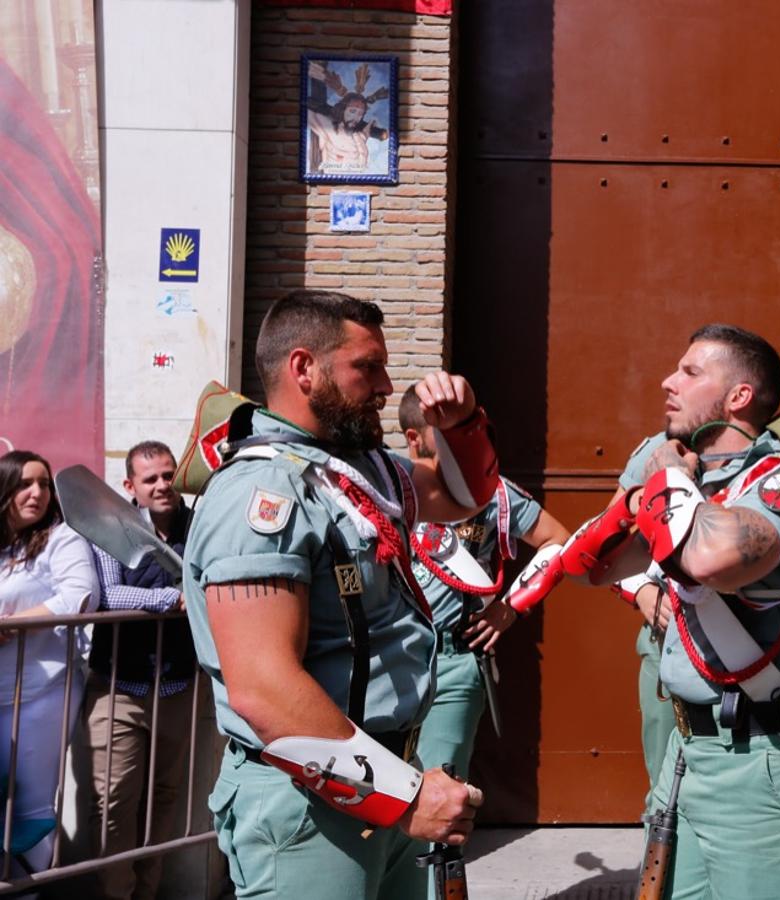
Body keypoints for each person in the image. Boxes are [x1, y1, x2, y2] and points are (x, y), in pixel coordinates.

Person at [506, 324, 780, 898]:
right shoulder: (685, 483)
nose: (668, 382)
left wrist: (665, 478)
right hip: (685, 754)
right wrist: (643, 493)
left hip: (759, 759)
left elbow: (711, 558)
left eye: (690, 372)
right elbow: (589, 566)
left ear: (738, 397)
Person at [182, 289, 492, 900]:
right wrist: (402, 798)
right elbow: (262, 685)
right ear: (304, 368)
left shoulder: (357, 470)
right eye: (367, 367)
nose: (384, 385)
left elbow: (465, 497)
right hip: (311, 799)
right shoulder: (263, 489)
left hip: (383, 780)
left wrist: (462, 424)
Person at [398, 386, 568, 779]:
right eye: (447, 434)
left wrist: (509, 609)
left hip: (454, 661)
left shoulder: (495, 494)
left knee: (441, 789)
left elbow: (558, 541)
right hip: (389, 658)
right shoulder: (381, 483)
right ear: (414, 439)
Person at [83, 440, 195, 900]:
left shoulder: (200, 525)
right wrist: (172, 598)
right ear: (130, 485)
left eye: (168, 475)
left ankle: (146, 894)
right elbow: (110, 595)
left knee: (164, 800)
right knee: (112, 806)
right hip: (119, 688)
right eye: (150, 479)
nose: (162, 485)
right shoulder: (114, 527)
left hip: (177, 687)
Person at [0, 449, 99, 874]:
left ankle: (35, 889)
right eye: (24, 483)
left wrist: (13, 624)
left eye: (43, 483)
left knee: (31, 809)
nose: (37, 492)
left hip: (41, 691)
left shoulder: (63, 537)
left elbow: (81, 595)